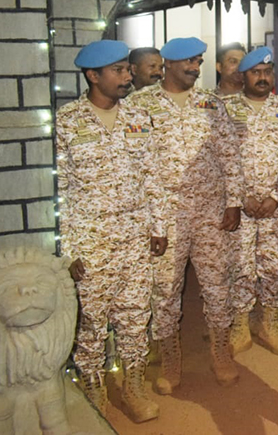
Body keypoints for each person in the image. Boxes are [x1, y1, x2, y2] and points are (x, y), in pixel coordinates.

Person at [127, 36, 244, 394]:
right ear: (168, 64)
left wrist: (234, 201)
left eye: (198, 61)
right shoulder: (139, 105)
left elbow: (229, 153)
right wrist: (146, 218)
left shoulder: (210, 104)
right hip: (165, 215)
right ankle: (171, 356)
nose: (195, 68)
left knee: (217, 284)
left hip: (210, 210)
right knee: (165, 289)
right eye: (189, 62)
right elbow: (134, 163)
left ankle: (221, 351)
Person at [56, 40, 165, 422]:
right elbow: (60, 191)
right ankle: (92, 395)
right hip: (91, 242)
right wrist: (68, 251)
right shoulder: (67, 122)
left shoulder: (137, 117)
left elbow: (153, 175)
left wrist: (159, 226)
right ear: (93, 76)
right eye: (118, 71)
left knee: (136, 317)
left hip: (135, 237)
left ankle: (132, 389)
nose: (127, 76)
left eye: (126, 69)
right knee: (91, 325)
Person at [224, 47, 278, 357]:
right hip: (238, 206)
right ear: (243, 76)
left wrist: (275, 197)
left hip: (274, 206)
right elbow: (222, 159)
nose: (263, 77)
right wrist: (241, 197)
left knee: (274, 264)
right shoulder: (225, 109)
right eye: (256, 72)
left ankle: (268, 322)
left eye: (267, 72)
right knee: (240, 264)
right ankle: (240, 323)